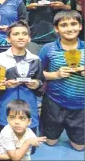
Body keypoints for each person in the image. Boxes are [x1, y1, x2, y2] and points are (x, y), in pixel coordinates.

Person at [0, 20, 45, 147]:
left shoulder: (36, 60)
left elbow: (40, 87)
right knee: (4, 149)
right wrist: (3, 85)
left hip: (29, 111)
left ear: (29, 38)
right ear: (8, 39)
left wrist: (36, 84)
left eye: (24, 33)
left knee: (27, 150)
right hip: (4, 111)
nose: (20, 37)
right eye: (15, 34)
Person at [39, 10, 85, 151]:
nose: (70, 28)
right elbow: (37, 73)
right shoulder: (48, 49)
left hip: (81, 105)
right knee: (50, 142)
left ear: (80, 26)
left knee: (79, 148)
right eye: (64, 25)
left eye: (73, 24)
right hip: (54, 103)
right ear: (56, 28)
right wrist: (56, 75)